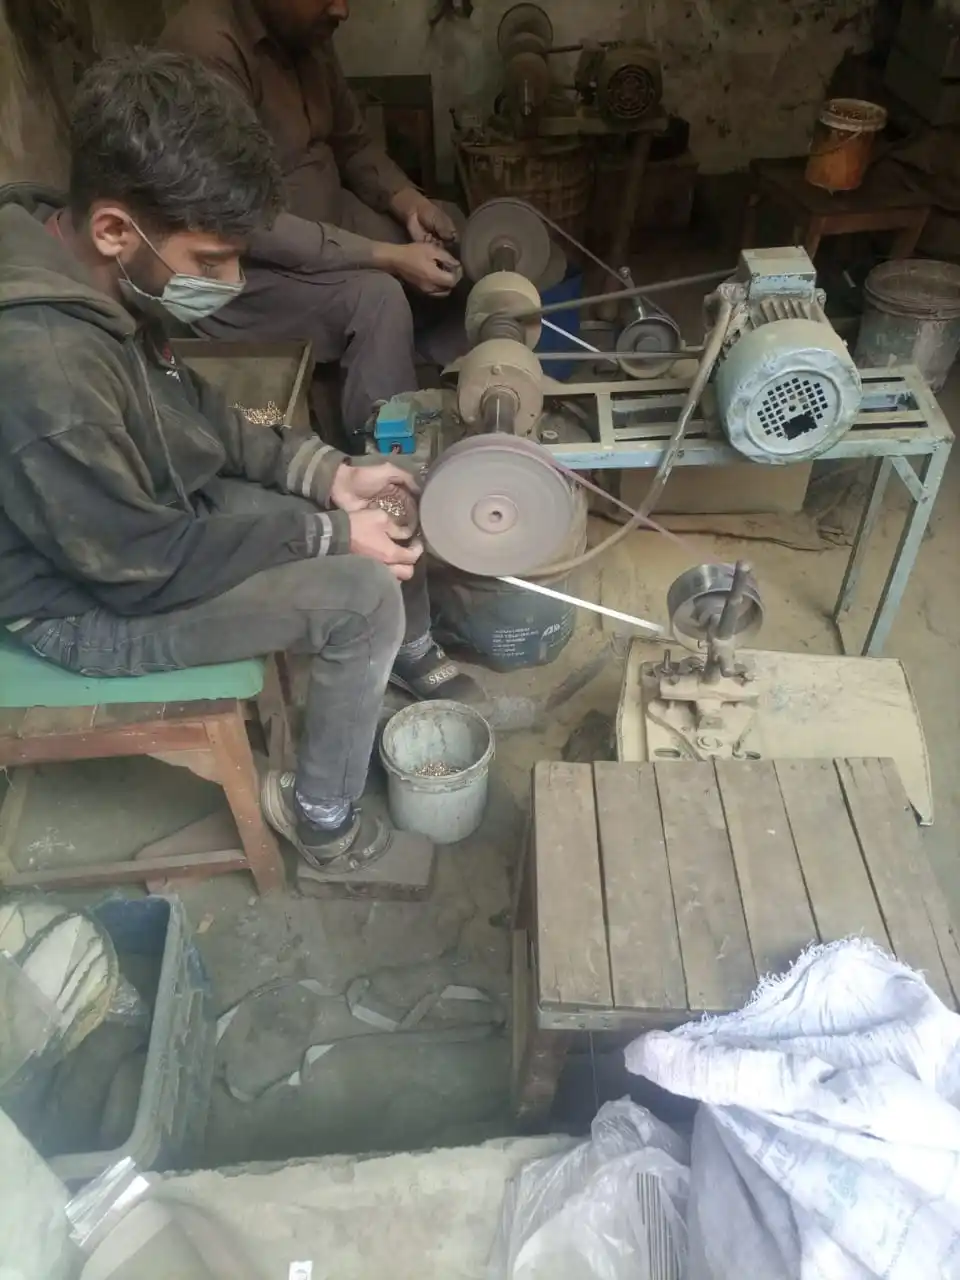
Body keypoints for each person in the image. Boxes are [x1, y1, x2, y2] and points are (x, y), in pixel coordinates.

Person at [0, 51, 479, 876]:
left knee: (377, 507)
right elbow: (138, 567)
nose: (227, 283)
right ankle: (321, 825)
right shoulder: (49, 369)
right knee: (363, 600)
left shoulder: (85, 261)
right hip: (84, 600)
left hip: (145, 516)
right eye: (210, 263)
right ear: (114, 229)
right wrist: (329, 538)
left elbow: (193, 407)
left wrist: (329, 476)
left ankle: (390, 642)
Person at [160, 0, 468, 445]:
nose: (342, 10)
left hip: (330, 222)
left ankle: (434, 377)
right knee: (377, 299)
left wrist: (409, 203)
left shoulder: (307, 34)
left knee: (450, 235)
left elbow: (352, 143)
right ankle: (384, 461)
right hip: (247, 264)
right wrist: (386, 256)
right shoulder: (207, 49)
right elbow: (243, 219)